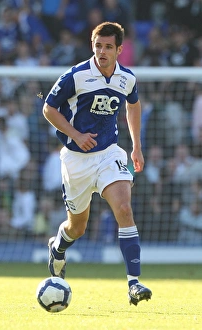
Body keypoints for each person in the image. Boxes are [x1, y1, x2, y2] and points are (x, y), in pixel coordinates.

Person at [42, 21, 152, 306]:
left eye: (107, 47)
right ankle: (58, 247)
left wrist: (136, 145)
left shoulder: (127, 78)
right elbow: (48, 108)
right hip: (76, 159)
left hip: (109, 154)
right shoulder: (76, 75)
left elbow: (134, 104)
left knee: (125, 209)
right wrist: (76, 134)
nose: (101, 52)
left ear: (119, 50)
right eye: (97, 46)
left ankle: (134, 283)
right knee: (77, 227)